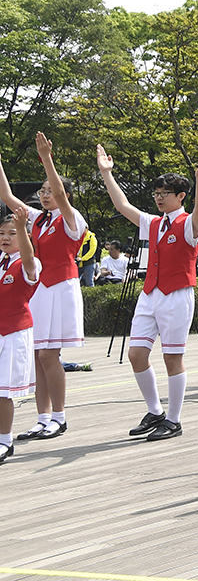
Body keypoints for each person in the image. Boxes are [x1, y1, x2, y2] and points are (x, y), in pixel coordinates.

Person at [97, 146, 198, 442]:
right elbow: (122, 205)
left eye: (165, 193)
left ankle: (174, 420)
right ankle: (155, 411)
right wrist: (106, 173)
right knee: (136, 354)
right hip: (150, 293)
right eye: (157, 193)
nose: (159, 198)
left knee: (173, 358)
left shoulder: (188, 224)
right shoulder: (154, 223)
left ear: (180, 196)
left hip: (177, 294)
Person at [0, 134, 86, 442]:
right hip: (40, 290)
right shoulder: (39, 220)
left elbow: (62, 196)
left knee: (50, 355)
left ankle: (59, 417)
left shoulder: (72, 219)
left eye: (51, 190)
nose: (47, 194)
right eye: (43, 191)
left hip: (61, 288)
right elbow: (7, 196)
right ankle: (42, 418)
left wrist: (46, 157)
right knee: (39, 355)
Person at [0, 212, 40, 464]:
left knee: (2, 391)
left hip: (13, 332)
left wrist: (22, 226)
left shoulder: (29, 264)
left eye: (12, 233)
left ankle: (5, 440)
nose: (5, 237)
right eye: (2, 233)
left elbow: (27, 258)